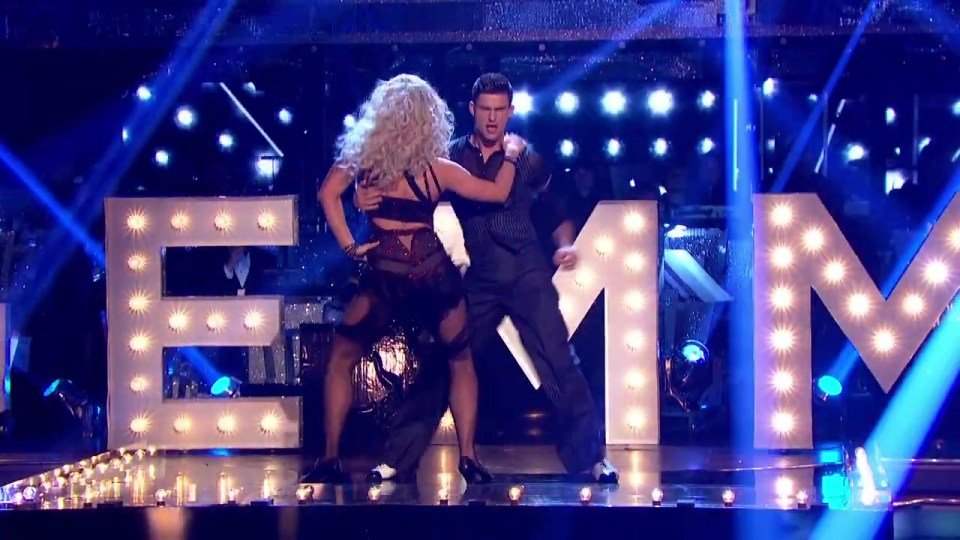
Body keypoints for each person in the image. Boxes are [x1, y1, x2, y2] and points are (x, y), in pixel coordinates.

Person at [356, 73, 619, 484]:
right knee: (444, 360)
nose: (493, 119)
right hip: (479, 277)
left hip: (527, 272)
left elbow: (555, 208)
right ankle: (397, 457)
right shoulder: (449, 156)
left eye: (501, 110)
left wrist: (564, 243)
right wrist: (361, 192)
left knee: (558, 361)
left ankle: (591, 458)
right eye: (486, 110)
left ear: (510, 112)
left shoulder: (527, 156)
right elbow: (404, 184)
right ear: (472, 110)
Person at [301, 73, 528, 484]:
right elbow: (497, 194)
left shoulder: (364, 163)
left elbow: (325, 195)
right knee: (460, 362)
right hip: (431, 275)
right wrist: (511, 155)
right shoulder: (437, 169)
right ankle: (469, 458)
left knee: (341, 360)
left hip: (385, 275)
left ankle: (331, 457)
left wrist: (351, 245)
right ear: (429, 120)